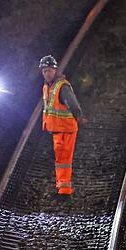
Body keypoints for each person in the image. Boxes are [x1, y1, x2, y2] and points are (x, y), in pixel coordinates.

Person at [39, 55, 87, 196]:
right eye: (44, 71)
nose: (47, 73)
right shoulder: (47, 87)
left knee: (64, 158)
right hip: (57, 129)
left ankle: (65, 188)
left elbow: (72, 103)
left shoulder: (62, 86)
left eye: (49, 70)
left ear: (55, 70)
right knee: (61, 158)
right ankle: (62, 185)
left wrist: (79, 116)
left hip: (66, 128)